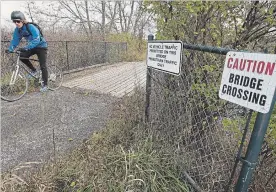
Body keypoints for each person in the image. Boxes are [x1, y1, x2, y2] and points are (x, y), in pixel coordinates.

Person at [6, 11, 48, 92]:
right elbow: (15, 40)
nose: (16, 23)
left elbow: (37, 39)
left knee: (43, 66)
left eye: (18, 21)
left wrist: (26, 47)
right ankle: (34, 71)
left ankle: (45, 85)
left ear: (22, 20)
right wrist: (10, 49)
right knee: (22, 56)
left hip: (41, 46)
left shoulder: (30, 26)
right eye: (14, 21)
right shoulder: (18, 30)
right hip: (32, 47)